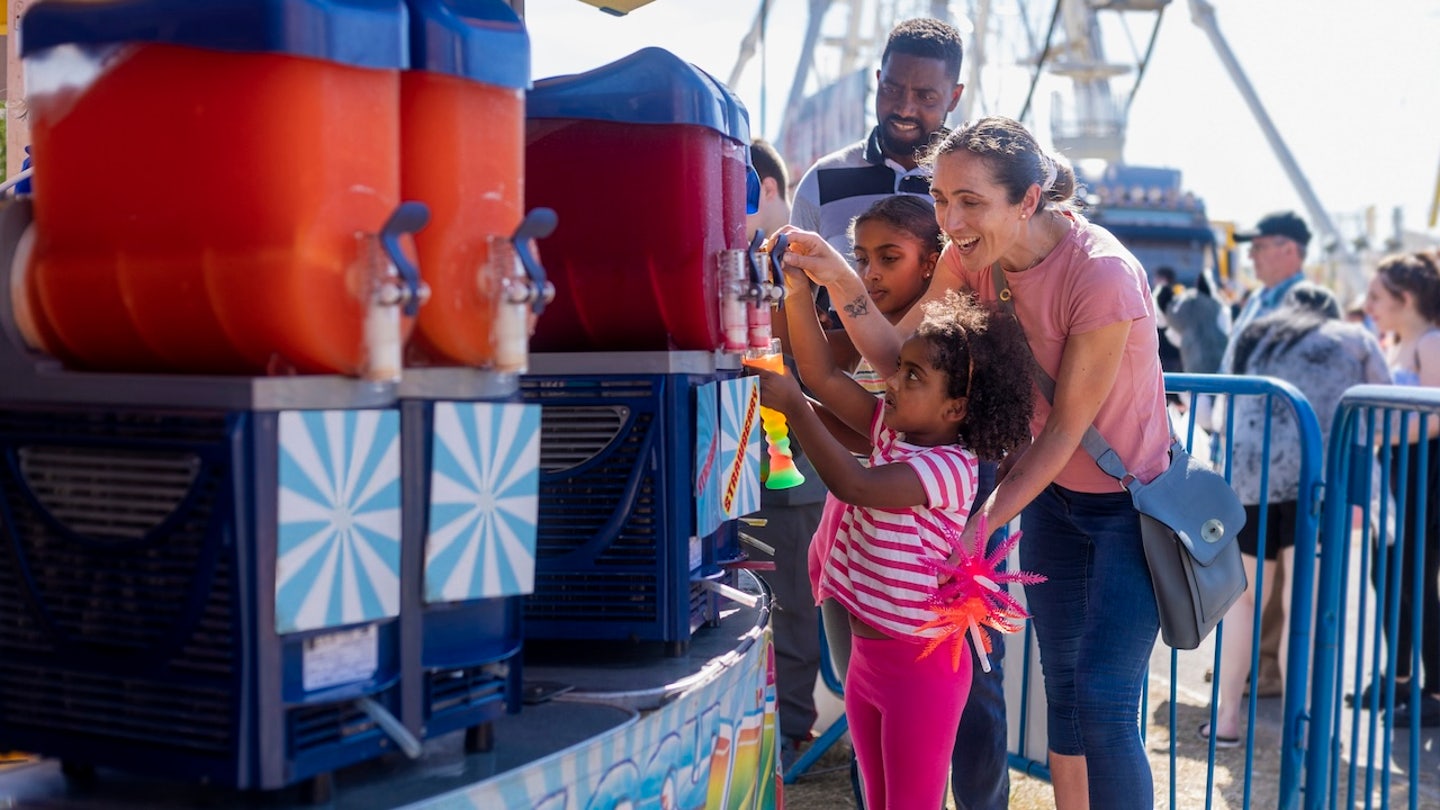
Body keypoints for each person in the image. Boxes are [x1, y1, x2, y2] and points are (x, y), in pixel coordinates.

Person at [780, 115, 1172, 809]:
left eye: (970, 201)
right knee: (1066, 693)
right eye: (941, 197)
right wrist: (833, 276)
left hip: (1127, 506)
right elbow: (894, 353)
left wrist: (980, 520)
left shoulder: (1102, 274)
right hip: (1048, 499)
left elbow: (1062, 433)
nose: (950, 220)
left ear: (1027, 200)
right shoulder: (971, 258)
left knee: (1106, 700)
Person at [753, 280, 1033, 810]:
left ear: (956, 409)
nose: (892, 382)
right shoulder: (895, 435)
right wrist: (795, 289)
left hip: (921, 673)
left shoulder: (951, 469)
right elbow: (826, 376)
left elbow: (855, 486)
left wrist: (795, 405)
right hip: (869, 661)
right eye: (899, 367)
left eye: (913, 376)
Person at [1202, 282, 1389, 747]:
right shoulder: (1354, 339)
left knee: (1243, 604)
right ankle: (1301, 729)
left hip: (1249, 479)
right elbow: (1382, 411)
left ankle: (1226, 720)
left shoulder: (1254, 333)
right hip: (1320, 483)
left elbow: (1219, 405)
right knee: (1302, 605)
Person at [743, 138, 827, 766]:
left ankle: (791, 732)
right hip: (740, 466)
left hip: (792, 471)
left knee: (794, 605)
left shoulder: (800, 262)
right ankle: (763, 731)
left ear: (764, 188)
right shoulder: (738, 260)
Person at [1218, 211, 1315, 700]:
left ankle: (1266, 669)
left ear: (1290, 249)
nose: (1251, 254)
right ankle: (1249, 663)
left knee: (1270, 581)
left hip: (1283, 461)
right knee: (1254, 575)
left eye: (1260, 246)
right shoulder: (1262, 298)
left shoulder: (1307, 302)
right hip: (1254, 455)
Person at [790, 18, 963, 259]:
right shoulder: (821, 181)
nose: (905, 109)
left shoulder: (974, 186)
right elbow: (796, 292)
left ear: (954, 97)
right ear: (879, 80)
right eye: (892, 90)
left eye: (925, 97)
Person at [1360, 249, 1440, 726]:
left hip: (1424, 474)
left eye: (1376, 296)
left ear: (1405, 298)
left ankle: (1433, 689)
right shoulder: (1395, 342)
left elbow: (1436, 418)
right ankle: (1403, 677)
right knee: (1385, 574)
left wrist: (1377, 432)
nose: (1369, 304)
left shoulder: (1431, 343)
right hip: (1394, 472)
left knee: (1414, 580)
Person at [1152, 266, 1184, 375]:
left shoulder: (1159, 295)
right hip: (1178, 353)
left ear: (1163, 279)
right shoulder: (1180, 297)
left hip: (1163, 352)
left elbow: (1158, 321)